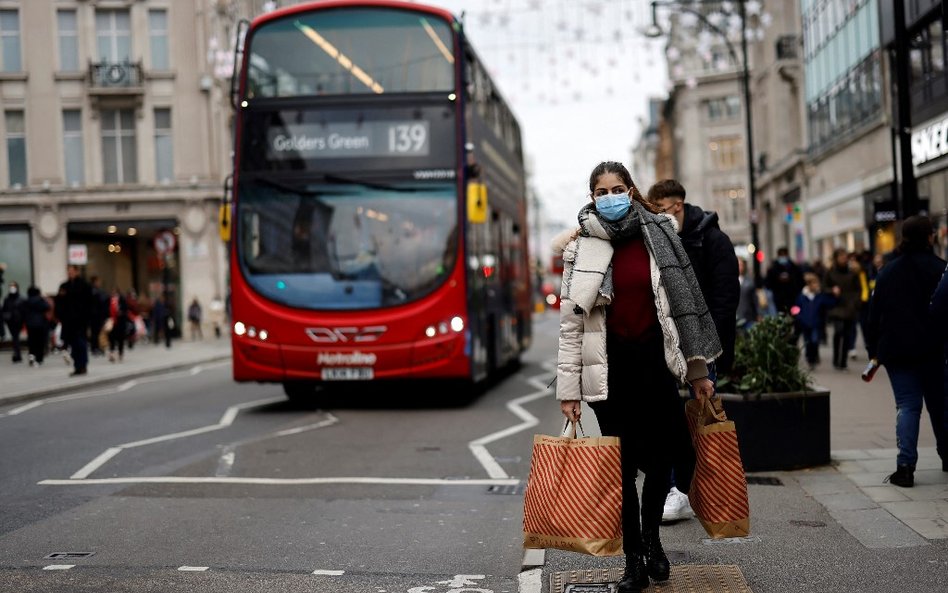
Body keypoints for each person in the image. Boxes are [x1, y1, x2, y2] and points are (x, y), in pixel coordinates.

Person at [554, 162, 720, 593]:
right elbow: (572, 327)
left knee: (661, 460)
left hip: (656, 364)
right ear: (592, 197)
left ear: (631, 190)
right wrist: (569, 392)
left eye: (617, 188)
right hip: (611, 372)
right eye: (601, 190)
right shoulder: (581, 249)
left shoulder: (660, 234)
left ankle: (653, 543)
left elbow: (685, 308)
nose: (610, 196)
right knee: (623, 469)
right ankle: (633, 560)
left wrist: (699, 371)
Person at [646, 179, 739, 523]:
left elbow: (726, 299)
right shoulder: (659, 241)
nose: (660, 218)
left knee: (704, 420)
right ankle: (676, 489)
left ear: (678, 206)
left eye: (664, 211)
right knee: (669, 420)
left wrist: (715, 348)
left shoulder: (712, 240)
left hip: (703, 346)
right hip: (668, 345)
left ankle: (709, 487)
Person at [866, 216, 947, 487]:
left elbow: (873, 315)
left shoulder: (888, 272)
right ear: (929, 237)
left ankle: (905, 466)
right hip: (935, 350)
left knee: (907, 406)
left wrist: (873, 351)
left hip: (897, 351)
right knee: (940, 405)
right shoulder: (939, 268)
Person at [823, 248, 862, 370]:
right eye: (841, 257)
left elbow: (858, 289)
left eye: (845, 257)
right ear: (836, 258)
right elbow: (824, 287)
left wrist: (855, 302)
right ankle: (836, 359)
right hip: (836, 306)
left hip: (849, 306)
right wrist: (832, 290)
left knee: (846, 334)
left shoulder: (852, 272)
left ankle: (843, 361)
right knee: (838, 331)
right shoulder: (830, 272)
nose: (844, 259)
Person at [55, 265, 93, 376]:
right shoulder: (64, 286)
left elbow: (89, 303)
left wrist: (86, 317)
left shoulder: (84, 285)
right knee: (73, 344)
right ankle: (77, 366)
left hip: (80, 321)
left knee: (81, 343)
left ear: (77, 272)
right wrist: (60, 315)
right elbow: (59, 302)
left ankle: (83, 365)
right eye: (68, 271)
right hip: (68, 321)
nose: (69, 273)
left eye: (71, 271)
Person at [793, 273, 836, 370]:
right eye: (814, 284)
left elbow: (829, 304)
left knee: (815, 341)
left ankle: (814, 357)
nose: (816, 286)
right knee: (808, 342)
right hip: (805, 323)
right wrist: (798, 316)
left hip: (816, 323)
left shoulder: (820, 296)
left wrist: (835, 296)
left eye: (817, 284)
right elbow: (796, 308)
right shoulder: (802, 296)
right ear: (809, 284)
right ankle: (810, 359)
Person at [764, 247, 804, 315]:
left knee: (793, 315)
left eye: (784, 255)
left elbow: (800, 281)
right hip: (778, 297)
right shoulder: (773, 268)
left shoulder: (794, 267)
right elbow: (768, 283)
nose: (783, 257)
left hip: (792, 297)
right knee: (781, 314)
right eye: (781, 255)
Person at [21, 286, 50, 366]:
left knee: (31, 341)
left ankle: (31, 356)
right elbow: (47, 307)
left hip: (30, 324)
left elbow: (23, 311)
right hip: (40, 323)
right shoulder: (40, 300)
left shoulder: (26, 301)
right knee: (40, 342)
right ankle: (39, 358)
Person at [2, 281, 23, 363]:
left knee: (15, 337)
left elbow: (23, 310)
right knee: (15, 337)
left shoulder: (20, 298)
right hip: (10, 321)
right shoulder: (7, 299)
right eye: (11, 286)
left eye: (13, 286)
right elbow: (4, 310)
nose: (12, 288)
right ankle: (17, 354)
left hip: (18, 321)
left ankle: (17, 354)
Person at [88, 276, 109, 356]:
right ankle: (95, 348)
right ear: (95, 282)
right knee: (95, 332)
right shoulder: (93, 291)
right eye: (98, 281)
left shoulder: (96, 291)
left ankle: (97, 347)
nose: (99, 283)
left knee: (97, 332)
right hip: (95, 315)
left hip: (97, 315)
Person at [736, 258, 758, 332]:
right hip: (735, 317)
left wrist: (758, 313)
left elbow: (755, 300)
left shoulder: (749, 282)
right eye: (738, 265)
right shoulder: (729, 281)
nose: (739, 267)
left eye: (741, 265)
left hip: (748, 317)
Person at [108, 288, 129, 363]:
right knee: (111, 338)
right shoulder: (109, 300)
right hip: (112, 322)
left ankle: (120, 352)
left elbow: (126, 309)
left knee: (120, 339)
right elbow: (106, 310)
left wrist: (121, 312)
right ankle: (112, 353)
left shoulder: (122, 300)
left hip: (120, 322)